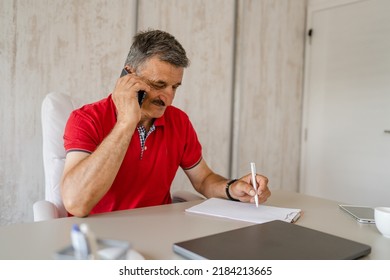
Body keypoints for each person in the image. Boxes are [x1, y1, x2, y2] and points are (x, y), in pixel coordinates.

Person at [61, 29, 271, 217]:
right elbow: (76, 204)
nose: (168, 99)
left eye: (175, 87)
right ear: (128, 75)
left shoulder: (178, 121)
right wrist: (126, 122)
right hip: (100, 242)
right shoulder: (86, 119)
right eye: (158, 85)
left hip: (160, 231)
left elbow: (204, 179)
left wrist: (232, 188)